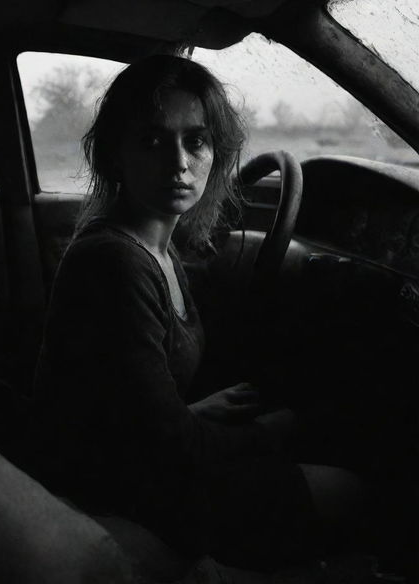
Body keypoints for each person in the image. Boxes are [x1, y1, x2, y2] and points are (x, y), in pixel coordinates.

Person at [31, 55, 369, 571]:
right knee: (350, 489)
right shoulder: (115, 261)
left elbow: (135, 409)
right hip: (126, 489)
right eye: (152, 140)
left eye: (196, 140)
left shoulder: (159, 246)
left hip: (141, 461)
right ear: (114, 156)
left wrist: (196, 413)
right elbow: (165, 451)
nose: (179, 163)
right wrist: (271, 431)